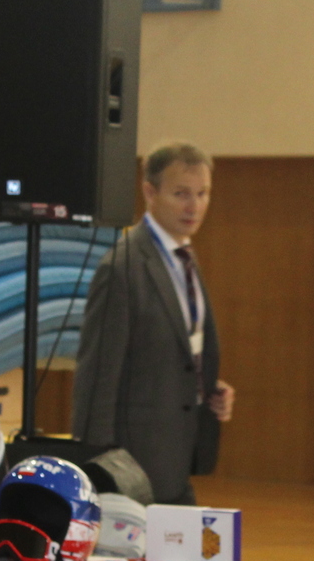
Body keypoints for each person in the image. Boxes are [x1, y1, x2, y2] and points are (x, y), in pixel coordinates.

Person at [72, 142, 236, 505]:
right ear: (150, 192)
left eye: (202, 194)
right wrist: (99, 469)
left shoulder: (183, 258)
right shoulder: (123, 267)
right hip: (135, 463)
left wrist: (206, 387)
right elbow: (97, 376)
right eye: (181, 194)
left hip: (178, 452)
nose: (194, 206)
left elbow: (177, 350)